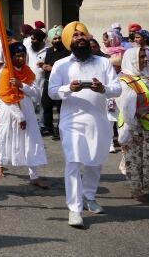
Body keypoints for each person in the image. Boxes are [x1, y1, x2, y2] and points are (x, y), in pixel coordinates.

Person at [48, 21, 120, 228]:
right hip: (71, 121)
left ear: (88, 38)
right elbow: (52, 91)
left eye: (82, 34)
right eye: (75, 35)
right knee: (73, 162)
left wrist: (103, 88)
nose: (80, 38)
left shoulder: (103, 63)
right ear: (69, 41)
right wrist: (68, 88)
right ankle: (74, 209)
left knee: (94, 161)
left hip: (97, 120)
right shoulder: (62, 65)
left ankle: (89, 196)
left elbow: (117, 88)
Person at [0, 42, 49, 189]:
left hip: (27, 108)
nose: (21, 58)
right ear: (11, 57)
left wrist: (21, 85)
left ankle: (34, 176)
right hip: (10, 111)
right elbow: (6, 98)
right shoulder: (5, 73)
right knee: (7, 137)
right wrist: (20, 117)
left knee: (31, 141)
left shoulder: (27, 72)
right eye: (17, 56)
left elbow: (36, 94)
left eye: (23, 55)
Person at [115, 47, 149, 202]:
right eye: (141, 57)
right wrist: (148, 117)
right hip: (133, 124)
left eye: (146, 56)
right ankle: (136, 190)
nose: (145, 59)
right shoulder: (124, 80)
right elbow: (127, 108)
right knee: (134, 158)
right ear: (132, 59)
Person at [41, 26, 70, 139]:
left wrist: (51, 68)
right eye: (55, 38)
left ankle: (59, 129)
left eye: (59, 38)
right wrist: (43, 66)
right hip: (48, 81)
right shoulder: (48, 51)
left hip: (61, 83)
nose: (57, 40)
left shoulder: (67, 52)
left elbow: (66, 67)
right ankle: (49, 128)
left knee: (60, 108)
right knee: (46, 106)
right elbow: (46, 63)